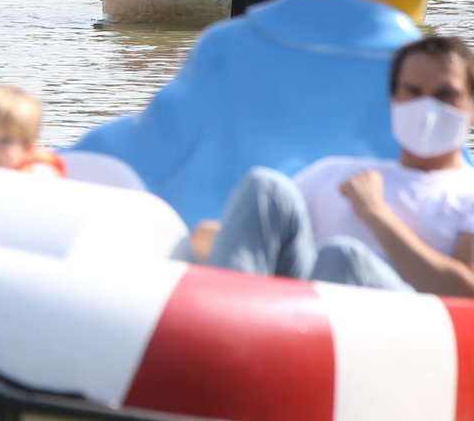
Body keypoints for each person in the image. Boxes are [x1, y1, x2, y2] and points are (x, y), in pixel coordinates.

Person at [201, 35, 474, 295]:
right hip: (295, 315)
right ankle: (225, 320)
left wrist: (377, 215)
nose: (426, 107)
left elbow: (467, 293)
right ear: (394, 101)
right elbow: (251, 236)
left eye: (445, 94)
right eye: (413, 92)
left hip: (402, 325)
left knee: (342, 257)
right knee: (265, 186)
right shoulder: (334, 172)